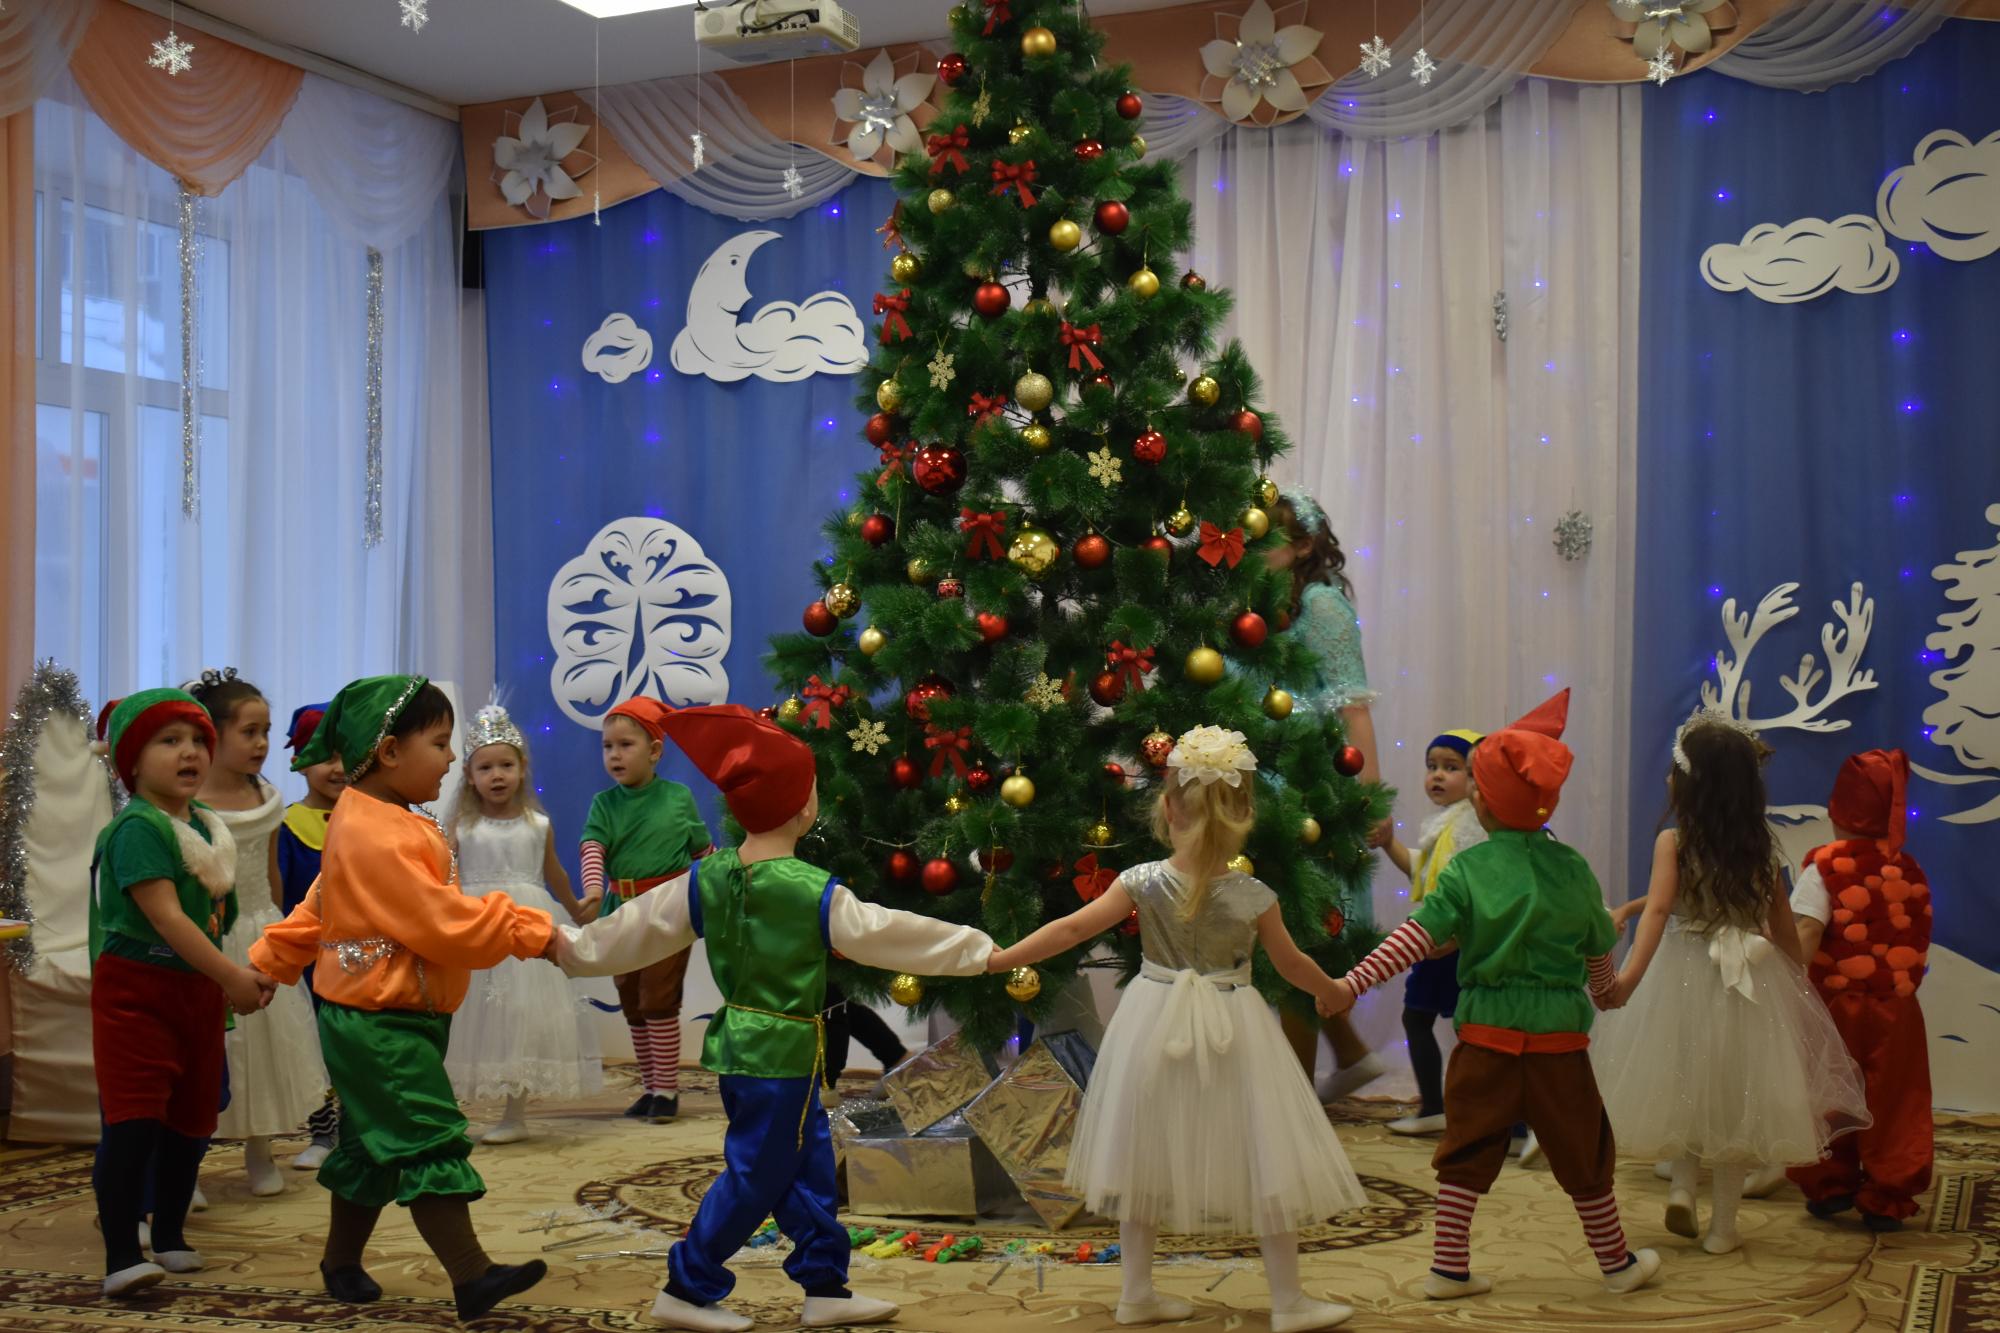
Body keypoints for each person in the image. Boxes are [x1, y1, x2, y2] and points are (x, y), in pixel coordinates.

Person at [555, 704, 998, 1333]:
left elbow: (631, 929)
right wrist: (983, 953)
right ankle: (687, 1288)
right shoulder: (811, 889)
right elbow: (892, 934)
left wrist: (567, 949)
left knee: (806, 1164)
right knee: (757, 1176)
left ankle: (825, 1286)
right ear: (802, 809)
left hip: (757, 1051)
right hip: (778, 1059)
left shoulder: (704, 878)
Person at [988, 724, 1364, 1332]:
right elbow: (1293, 965)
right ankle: (1288, 1301)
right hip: (1234, 1022)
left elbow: (1072, 929)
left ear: (1166, 807)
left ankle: (1136, 1294)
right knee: (1265, 1149)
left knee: (1142, 1148)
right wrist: (1334, 991)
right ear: (1244, 812)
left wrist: (1005, 957)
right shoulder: (1256, 895)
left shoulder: (1139, 881)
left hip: (1151, 1019)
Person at [1325, 690, 1661, 1299]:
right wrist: (1608, 990)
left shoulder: (1467, 870)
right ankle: (1617, 1264)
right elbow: (1597, 956)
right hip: (1559, 1046)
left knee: (1466, 1148)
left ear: (1482, 802)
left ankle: (1448, 1268)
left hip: (1485, 1040)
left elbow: (1414, 938)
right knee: (1585, 1153)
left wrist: (1352, 983)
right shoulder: (1574, 870)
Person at [248, 675, 555, 1322]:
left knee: (369, 1144)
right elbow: (439, 920)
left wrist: (273, 959)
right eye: (440, 743)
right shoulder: (376, 831)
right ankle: (471, 1274)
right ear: (389, 751)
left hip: (399, 1009)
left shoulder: (382, 818)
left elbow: (323, 903)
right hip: (376, 1018)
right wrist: (529, 929)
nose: (451, 757)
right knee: (424, 1132)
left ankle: (339, 1260)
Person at [1592, 711, 1870, 1254]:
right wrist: (1796, 984)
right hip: (1748, 983)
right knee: (1736, 1098)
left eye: (1674, 771)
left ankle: (1681, 1187)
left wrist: (1627, 980)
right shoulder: (1762, 849)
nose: (1667, 779)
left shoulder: (1673, 842)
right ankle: (1723, 1228)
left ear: (1691, 785)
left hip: (1681, 974)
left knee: (1685, 1080)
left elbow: (1658, 913)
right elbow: (1783, 926)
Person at [89, 689, 277, 1298]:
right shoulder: (137, 829)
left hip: (195, 992)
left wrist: (238, 973)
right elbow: (169, 919)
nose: (190, 752)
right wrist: (231, 977)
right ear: (131, 760)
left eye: (198, 740)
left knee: (191, 1120)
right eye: (169, 741)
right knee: (135, 1120)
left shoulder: (206, 828)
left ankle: (169, 1234)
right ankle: (122, 1253)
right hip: (137, 993)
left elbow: (218, 919)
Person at [188, 670, 328, 1195]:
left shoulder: (266, 796)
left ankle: (260, 1151)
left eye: (266, 731)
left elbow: (271, 874)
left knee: (265, 1049)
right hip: (208, 938)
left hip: (259, 930)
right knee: (214, 1053)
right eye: (249, 732)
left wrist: (284, 932)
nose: (262, 743)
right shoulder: (188, 800)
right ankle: (188, 1163)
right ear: (213, 734)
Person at [1267, 487, 1384, 1102]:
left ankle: (1294, 1096)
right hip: (1266, 780)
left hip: (1308, 786)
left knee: (1299, 932)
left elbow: (1351, 705)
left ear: (1304, 545)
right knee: (1280, 932)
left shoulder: (1321, 604)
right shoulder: (1262, 605)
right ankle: (1352, 1054)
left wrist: (1370, 796)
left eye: (1269, 539)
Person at [1786, 748, 1933, 1232]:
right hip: (1897, 1008)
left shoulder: (1824, 866)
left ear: (1838, 813)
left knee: (1830, 1087)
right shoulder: (1908, 868)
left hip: (1837, 1004)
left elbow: (1807, 930)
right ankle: (1888, 1194)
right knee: (1897, 1097)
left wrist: (1789, 981)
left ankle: (1831, 1183)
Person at [444, 702, 602, 1142]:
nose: (497, 776)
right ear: (469, 775)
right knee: (465, 1014)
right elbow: (444, 875)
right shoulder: (462, 826)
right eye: (485, 768)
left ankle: (515, 1113)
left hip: (526, 926)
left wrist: (575, 908)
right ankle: (451, 1110)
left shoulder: (538, 824)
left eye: (506, 766)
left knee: (520, 1016)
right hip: (476, 925)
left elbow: (555, 873)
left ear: (522, 768)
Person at [577, 698, 713, 1122]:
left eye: (625, 745)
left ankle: (667, 1090)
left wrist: (722, 890)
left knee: (658, 997)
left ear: (654, 751)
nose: (614, 755)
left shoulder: (678, 797)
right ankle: (651, 1086)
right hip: (621, 911)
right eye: (607, 746)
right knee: (632, 1001)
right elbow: (593, 846)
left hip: (668, 911)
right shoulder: (604, 804)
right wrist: (594, 891)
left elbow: (704, 851)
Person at [1371, 728, 1484, 1135]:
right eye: (1432, 766)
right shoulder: (1444, 822)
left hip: (1458, 945)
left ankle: (1499, 1116)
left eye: (1451, 767)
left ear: (1476, 777)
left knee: (1471, 1030)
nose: (1437, 775)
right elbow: (1424, 872)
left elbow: (1477, 889)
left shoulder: (1474, 825)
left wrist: (1455, 939)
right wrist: (1390, 843)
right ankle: (1437, 1107)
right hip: (1438, 942)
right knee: (1419, 1018)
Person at [274, 701, 344, 1168]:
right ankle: (323, 1131)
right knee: (312, 1042)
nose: (336, 768)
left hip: (362, 954)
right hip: (310, 958)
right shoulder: (286, 827)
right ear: (299, 761)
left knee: (355, 1043)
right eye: (324, 757)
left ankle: (359, 1128)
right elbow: (280, 896)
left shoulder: (372, 820)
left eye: (344, 755)